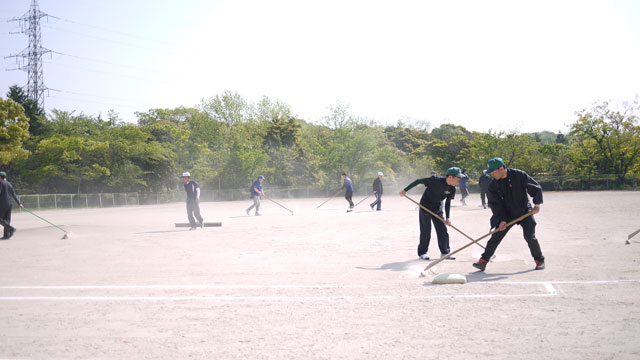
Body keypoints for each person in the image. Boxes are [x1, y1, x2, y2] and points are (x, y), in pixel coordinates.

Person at [472, 157, 545, 271]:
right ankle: (483, 261)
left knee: (530, 237)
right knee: (495, 236)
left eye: (493, 172)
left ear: (501, 169)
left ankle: (539, 260)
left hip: (524, 211)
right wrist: (502, 219)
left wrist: (537, 205)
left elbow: (536, 188)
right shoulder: (493, 185)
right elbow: (494, 204)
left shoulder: (519, 175)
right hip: (507, 214)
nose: (491, 175)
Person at [399, 167, 462, 260]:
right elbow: (418, 181)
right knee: (426, 230)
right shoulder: (435, 180)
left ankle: (445, 252)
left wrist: (447, 218)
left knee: (442, 230)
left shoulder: (452, 189)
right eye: (458, 178)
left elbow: (448, 203)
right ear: (450, 177)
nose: (459, 180)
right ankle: (422, 253)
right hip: (425, 206)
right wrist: (405, 190)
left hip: (437, 208)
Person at [0, 171, 23, 240]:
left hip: (2, 203)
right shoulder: (10, 184)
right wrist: (19, 203)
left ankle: (10, 228)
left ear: (0, 177)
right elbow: (14, 194)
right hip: (9, 203)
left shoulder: (1, 183)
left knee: (1, 219)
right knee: (7, 219)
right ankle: (6, 235)